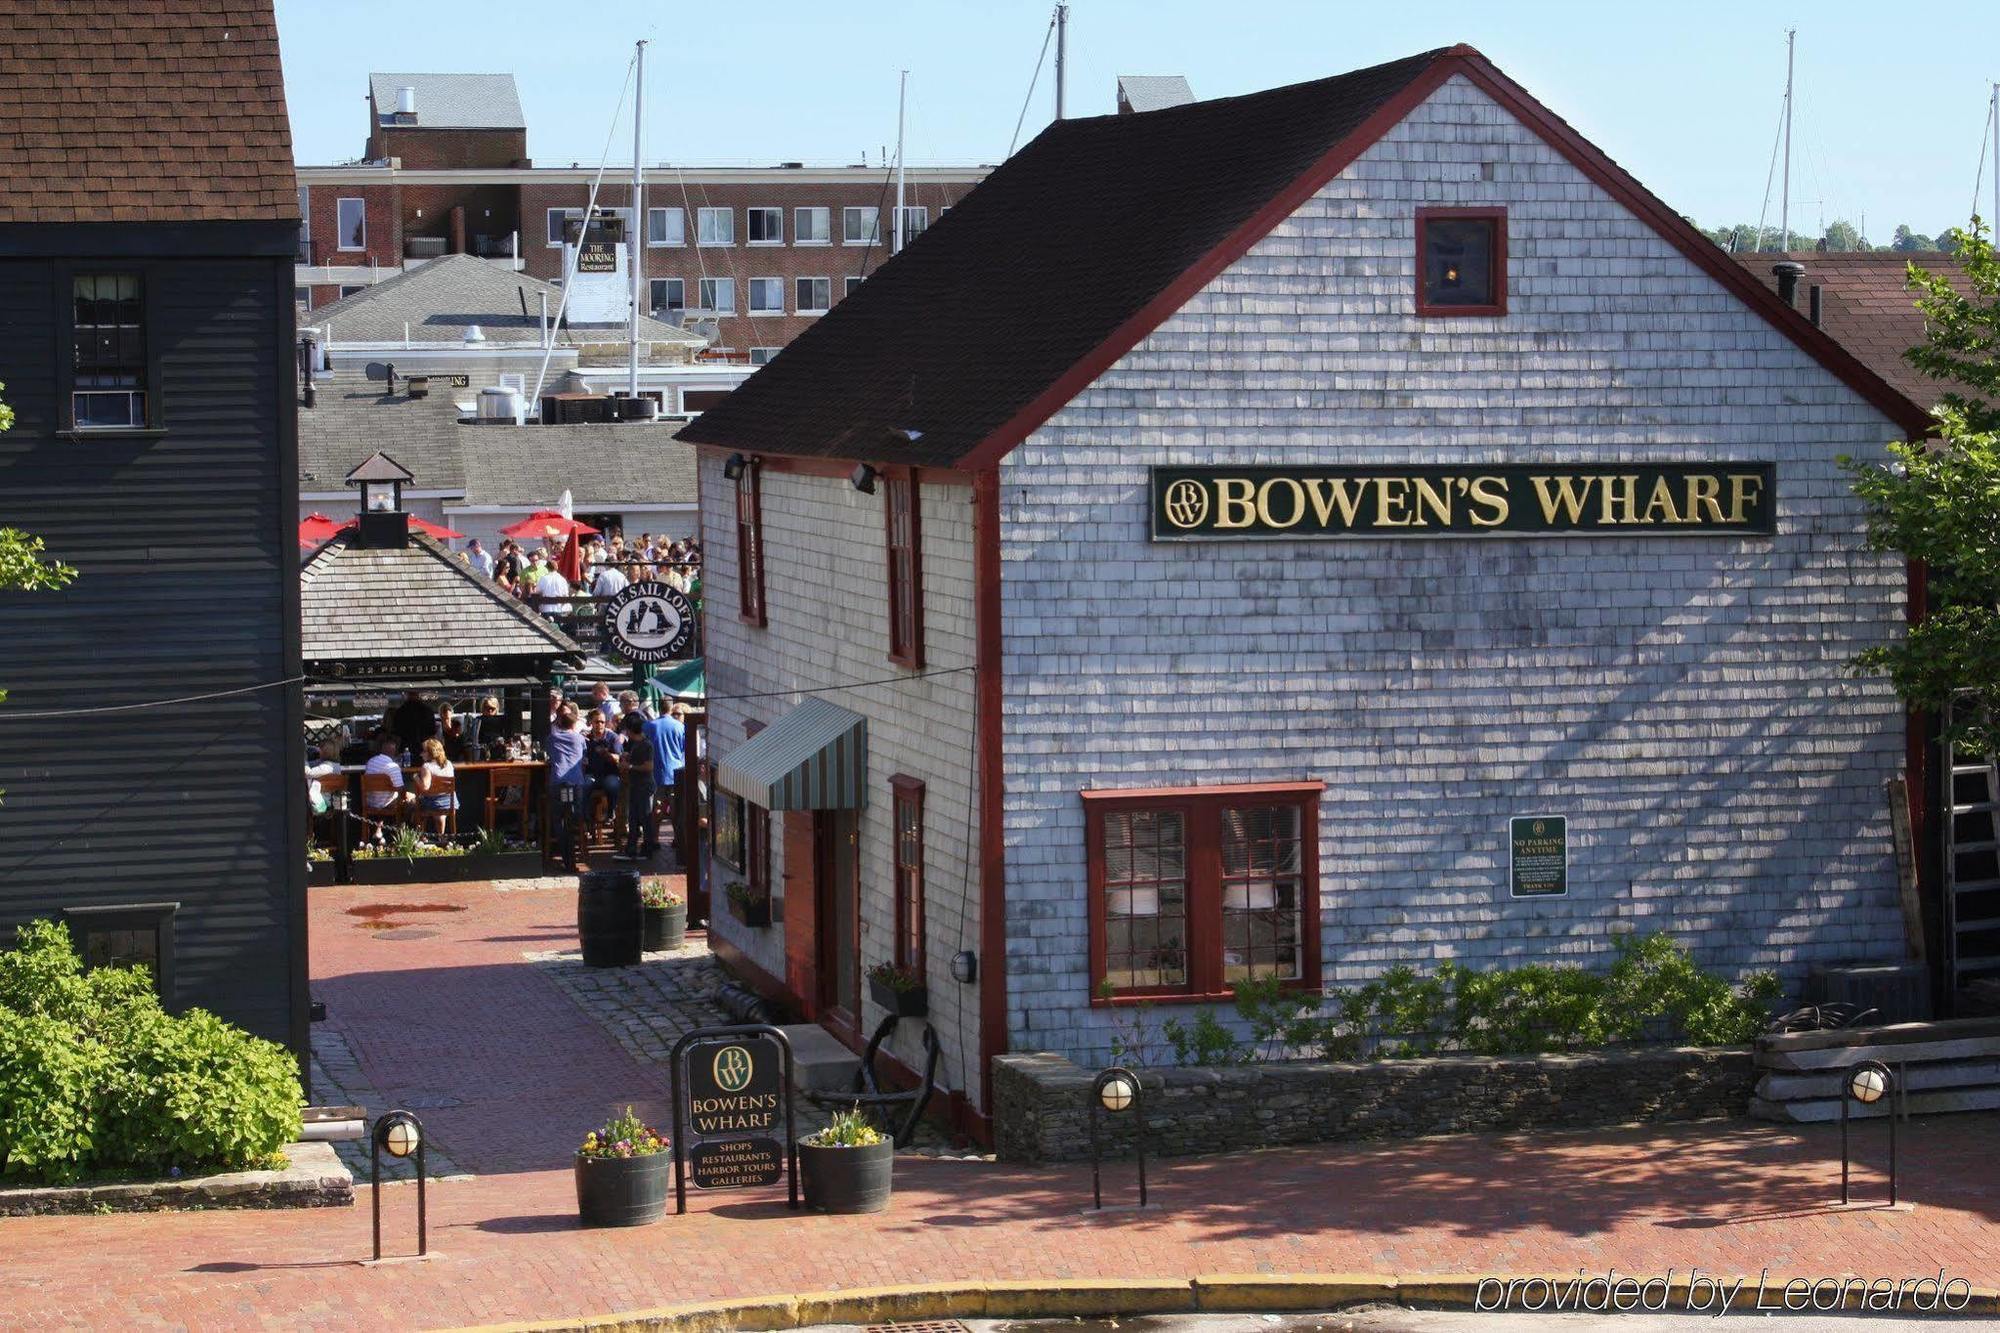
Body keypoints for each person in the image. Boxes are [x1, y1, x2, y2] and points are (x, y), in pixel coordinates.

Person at [546, 703, 588, 870]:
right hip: (575, 781)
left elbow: (549, 754)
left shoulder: (552, 738)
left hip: (558, 781)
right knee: (573, 818)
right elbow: (584, 759)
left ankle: (566, 857)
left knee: (560, 819)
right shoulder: (580, 739)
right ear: (573, 724)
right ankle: (576, 854)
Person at [616, 712, 656, 861]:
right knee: (633, 817)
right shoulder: (636, 744)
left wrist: (629, 766)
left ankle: (648, 847)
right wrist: (628, 756)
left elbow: (649, 766)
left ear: (631, 731)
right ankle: (631, 847)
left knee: (645, 817)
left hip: (644, 786)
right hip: (634, 785)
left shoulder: (646, 745)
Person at [361, 733, 409, 833]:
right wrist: (407, 796)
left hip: (370, 802)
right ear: (395, 751)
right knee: (411, 802)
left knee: (394, 797)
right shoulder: (392, 766)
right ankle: (401, 835)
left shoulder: (371, 761)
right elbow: (400, 789)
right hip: (386, 804)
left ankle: (379, 830)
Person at [415, 737, 457, 837]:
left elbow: (425, 787)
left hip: (434, 803)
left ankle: (421, 837)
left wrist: (416, 778)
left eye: (424, 751)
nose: (421, 754)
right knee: (440, 814)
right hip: (450, 802)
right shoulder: (449, 764)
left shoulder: (427, 767)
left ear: (431, 753)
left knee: (413, 803)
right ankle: (441, 836)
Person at [390, 690, 436, 759]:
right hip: (424, 747)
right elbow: (432, 732)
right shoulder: (427, 710)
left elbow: (396, 733)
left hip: (405, 746)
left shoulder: (400, 711)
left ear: (407, 695)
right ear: (418, 694)